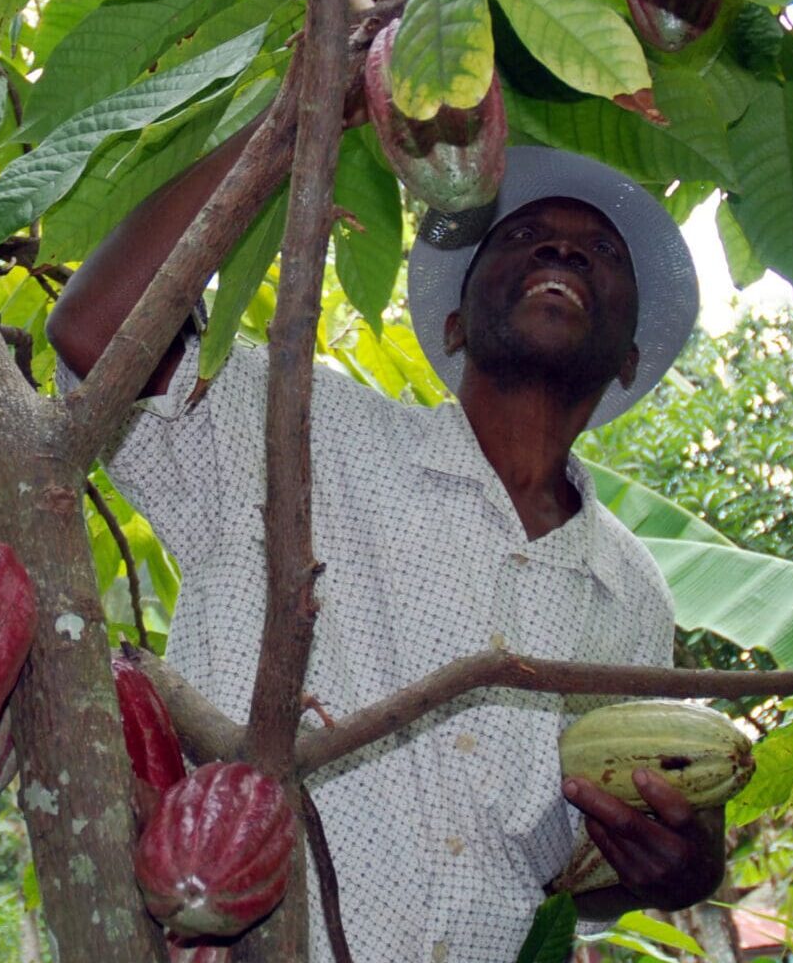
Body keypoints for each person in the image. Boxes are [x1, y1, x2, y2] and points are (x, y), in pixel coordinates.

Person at [47, 110, 729, 963]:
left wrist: (677, 871)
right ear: (451, 326)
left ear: (628, 358)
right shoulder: (299, 423)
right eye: (524, 235)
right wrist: (301, 112)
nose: (562, 251)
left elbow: (582, 863)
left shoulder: (631, 597)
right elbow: (94, 332)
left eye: (602, 253)